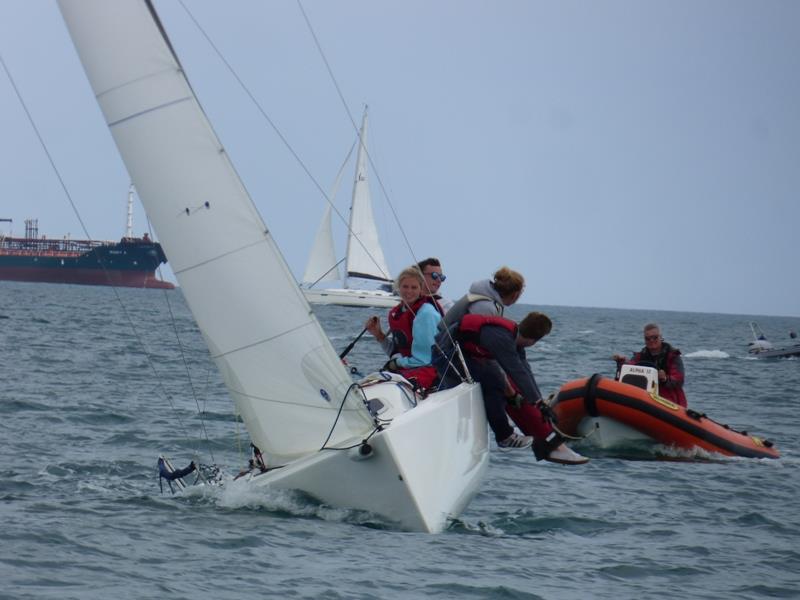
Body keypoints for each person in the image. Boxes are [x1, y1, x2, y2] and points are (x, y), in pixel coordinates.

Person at [435, 311, 588, 463]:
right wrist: (535, 401)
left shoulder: (514, 336)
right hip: (445, 354)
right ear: (533, 341)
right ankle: (504, 436)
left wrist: (539, 401)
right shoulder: (502, 339)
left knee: (498, 380)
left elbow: (525, 371)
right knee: (494, 385)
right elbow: (515, 371)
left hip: (463, 352)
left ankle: (546, 443)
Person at [365, 266, 443, 389]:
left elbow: (424, 360)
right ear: (398, 287)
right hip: (410, 368)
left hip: (431, 370)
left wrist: (395, 363)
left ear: (421, 289)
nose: (409, 291)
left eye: (414, 287)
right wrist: (379, 335)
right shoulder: (397, 312)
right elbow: (396, 352)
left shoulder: (426, 314)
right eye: (405, 286)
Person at [613, 323, 687, 407]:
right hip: (646, 399)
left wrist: (665, 378)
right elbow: (631, 367)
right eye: (648, 338)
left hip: (669, 403)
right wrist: (621, 361)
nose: (651, 340)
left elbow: (679, 380)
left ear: (660, 337)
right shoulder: (640, 356)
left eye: (655, 337)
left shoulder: (673, 356)